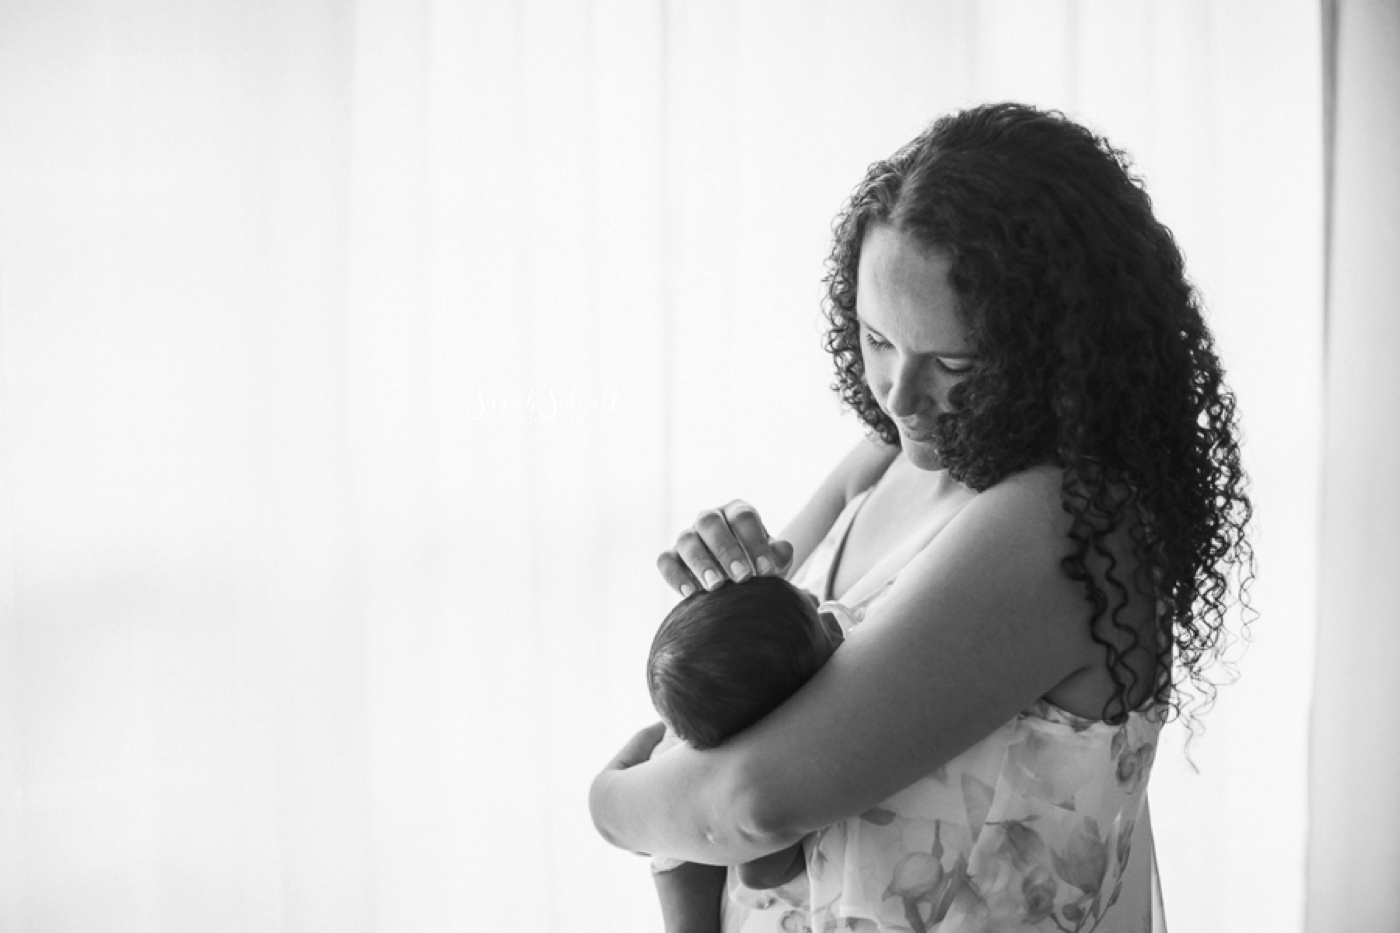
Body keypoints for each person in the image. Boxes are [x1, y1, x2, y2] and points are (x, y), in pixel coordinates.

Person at [590, 102, 1253, 932]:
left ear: (1063, 350)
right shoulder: (877, 464)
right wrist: (721, 593)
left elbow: (751, 802)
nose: (898, 396)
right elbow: (723, 730)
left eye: (952, 361)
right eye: (876, 340)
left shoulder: (1063, 525)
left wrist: (611, 800)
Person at [646, 576, 843, 933]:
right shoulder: (770, 775)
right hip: (682, 846)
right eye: (824, 632)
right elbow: (757, 872)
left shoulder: (710, 711)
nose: (828, 614)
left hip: (666, 798)